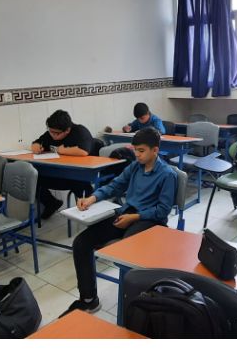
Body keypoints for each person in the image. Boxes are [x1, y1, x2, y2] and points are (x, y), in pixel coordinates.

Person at [61, 127, 177, 316]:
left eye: (141, 151)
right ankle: (89, 300)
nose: (137, 155)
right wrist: (92, 198)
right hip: (126, 214)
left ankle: (136, 306)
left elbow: (163, 210)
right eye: (135, 150)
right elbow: (115, 185)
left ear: (155, 150)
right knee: (81, 243)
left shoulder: (167, 174)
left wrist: (135, 217)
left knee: (127, 252)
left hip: (150, 221)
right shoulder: (135, 167)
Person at [31, 110, 95, 219]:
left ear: (67, 130)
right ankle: (51, 203)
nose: (53, 135)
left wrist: (62, 150)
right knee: (33, 180)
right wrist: (36, 146)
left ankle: (91, 215)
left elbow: (83, 151)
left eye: (56, 133)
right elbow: (38, 142)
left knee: (81, 187)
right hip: (59, 175)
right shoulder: (51, 133)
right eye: (51, 131)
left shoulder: (80, 131)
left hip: (79, 176)